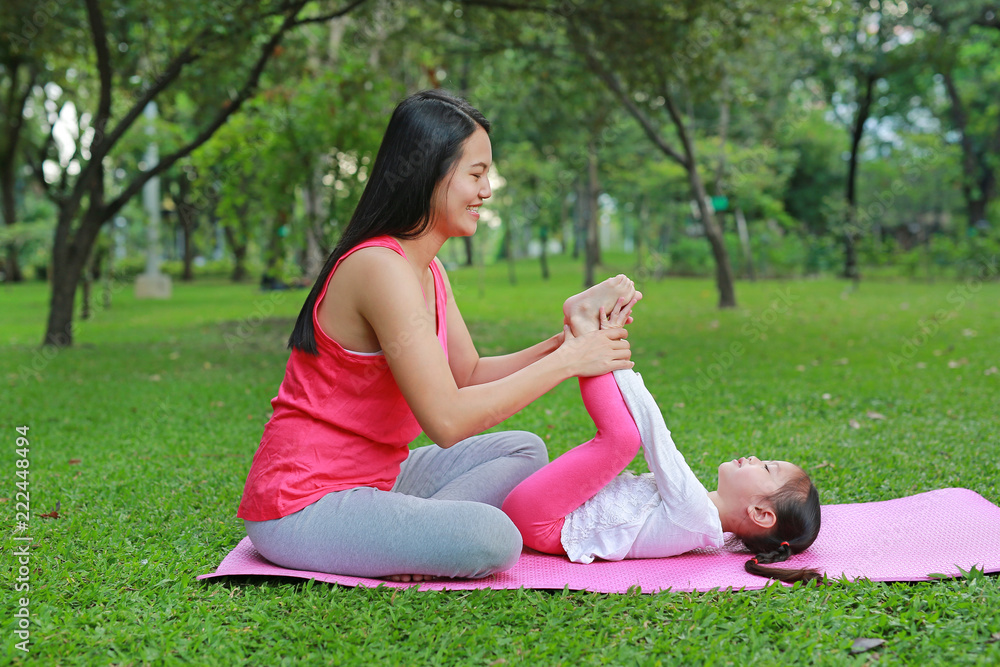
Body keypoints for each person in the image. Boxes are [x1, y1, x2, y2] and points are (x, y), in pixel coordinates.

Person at [237, 89, 636, 582]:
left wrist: (565, 339)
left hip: (380, 478)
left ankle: (407, 538)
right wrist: (572, 360)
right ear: (430, 172)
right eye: (475, 173)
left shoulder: (427, 268)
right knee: (494, 539)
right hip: (303, 503)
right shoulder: (379, 268)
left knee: (524, 449)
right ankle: (410, 538)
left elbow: (466, 375)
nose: (486, 190)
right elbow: (446, 420)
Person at [502, 298, 822, 584]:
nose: (754, 457)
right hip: (542, 514)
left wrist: (609, 346)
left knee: (623, 441)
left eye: (767, 468)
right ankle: (591, 341)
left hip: (541, 520)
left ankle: (589, 336)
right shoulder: (702, 520)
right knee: (614, 440)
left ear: (761, 513)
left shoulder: (695, 513)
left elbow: (656, 436)